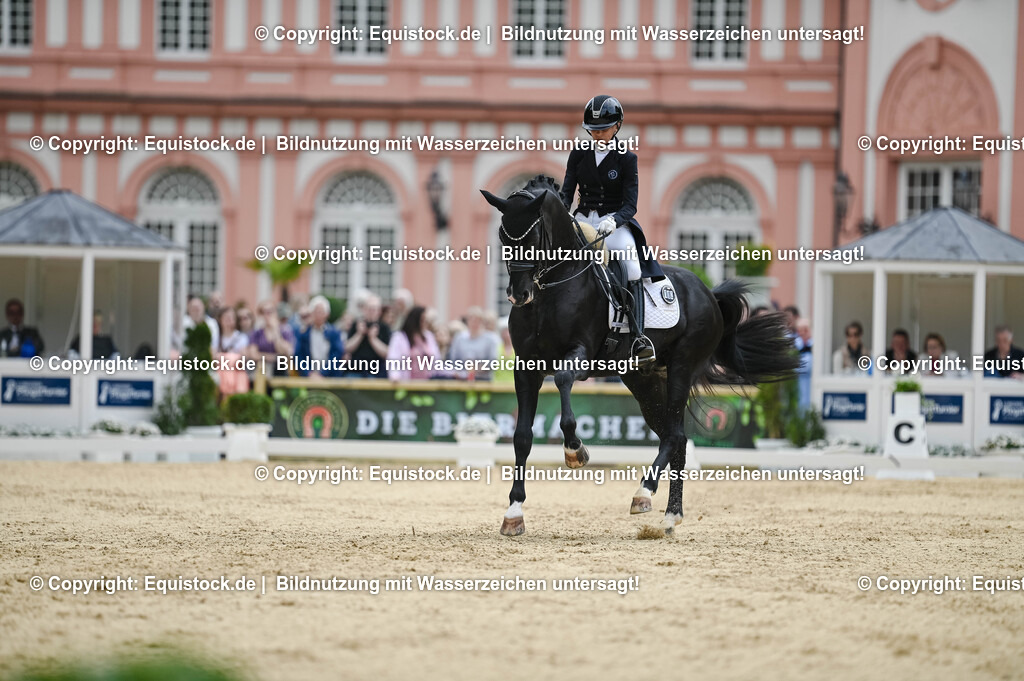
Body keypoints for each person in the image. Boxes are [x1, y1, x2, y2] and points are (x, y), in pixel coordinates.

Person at [561, 94, 664, 366]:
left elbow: (631, 205)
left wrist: (614, 220)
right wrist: (560, 216)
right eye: (593, 130)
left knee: (631, 267)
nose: (597, 135)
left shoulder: (626, 159)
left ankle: (639, 337)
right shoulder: (579, 154)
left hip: (613, 223)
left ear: (617, 127)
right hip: (582, 221)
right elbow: (566, 194)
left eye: (603, 130)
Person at [295, 296, 345, 378]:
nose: (318, 315)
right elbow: (298, 356)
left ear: (327, 314)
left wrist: (322, 373)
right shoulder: (303, 333)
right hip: (309, 377)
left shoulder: (334, 333)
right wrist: (308, 373)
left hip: (329, 377)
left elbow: (336, 355)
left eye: (321, 312)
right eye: (316, 312)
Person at [386, 306, 440, 381]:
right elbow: (394, 358)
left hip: (427, 382)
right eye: (423, 320)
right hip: (406, 381)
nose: (425, 323)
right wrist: (395, 376)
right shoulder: (400, 337)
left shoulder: (429, 337)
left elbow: (436, 360)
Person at [345, 293, 391, 378]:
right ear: (364, 309)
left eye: (374, 309)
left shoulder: (384, 328)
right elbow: (347, 348)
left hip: (377, 372)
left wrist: (373, 339)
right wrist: (359, 334)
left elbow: (387, 353)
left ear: (379, 311)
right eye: (369, 309)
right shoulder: (356, 324)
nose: (371, 312)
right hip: (355, 371)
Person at [448, 307, 498, 379]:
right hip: (462, 378)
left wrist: (476, 369)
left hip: (483, 379)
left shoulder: (491, 339)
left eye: (477, 320)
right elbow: (453, 358)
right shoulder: (459, 338)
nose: (474, 323)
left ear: (482, 322)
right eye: (471, 319)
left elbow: (493, 361)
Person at [248, 299, 295, 374]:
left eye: (270, 311)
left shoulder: (284, 331)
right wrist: (272, 357)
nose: (267, 315)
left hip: (280, 371)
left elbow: (286, 351)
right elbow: (253, 354)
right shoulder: (257, 333)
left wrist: (276, 331)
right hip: (262, 370)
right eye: (264, 312)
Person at [214, 307, 249, 397]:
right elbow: (212, 357)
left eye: (231, 318)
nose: (229, 320)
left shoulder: (241, 337)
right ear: (220, 320)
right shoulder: (216, 337)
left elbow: (242, 358)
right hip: (219, 374)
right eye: (226, 318)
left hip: (236, 375)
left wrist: (225, 359)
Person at [794, 318, 813, 411]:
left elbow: (810, 366)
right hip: (797, 391)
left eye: (805, 329)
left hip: (811, 390)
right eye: (799, 330)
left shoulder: (815, 346)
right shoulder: (793, 347)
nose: (802, 333)